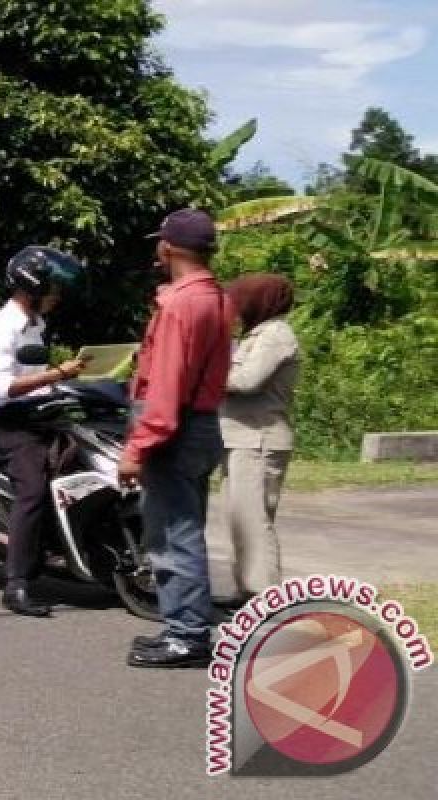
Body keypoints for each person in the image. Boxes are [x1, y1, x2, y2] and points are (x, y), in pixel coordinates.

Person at [118, 209, 233, 669]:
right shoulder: (217, 298)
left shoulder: (180, 304)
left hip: (175, 429)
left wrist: (136, 448)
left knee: (172, 536)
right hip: (203, 424)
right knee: (186, 530)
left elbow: (165, 387)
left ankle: (186, 636)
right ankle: (185, 625)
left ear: (168, 248)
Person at [0, 245, 88, 617]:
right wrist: (58, 374)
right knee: (34, 489)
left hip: (41, 415)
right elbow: (0, 389)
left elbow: (35, 380)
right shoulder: (0, 329)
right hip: (11, 423)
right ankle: (18, 582)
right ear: (32, 288)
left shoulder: (35, 325)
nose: (57, 297)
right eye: (52, 289)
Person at [220, 273, 300, 600]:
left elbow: (246, 380)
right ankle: (247, 594)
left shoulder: (276, 335)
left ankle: (265, 598)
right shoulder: (256, 335)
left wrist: (203, 373)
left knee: (254, 521)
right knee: (238, 520)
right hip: (241, 438)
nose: (236, 309)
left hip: (259, 439)